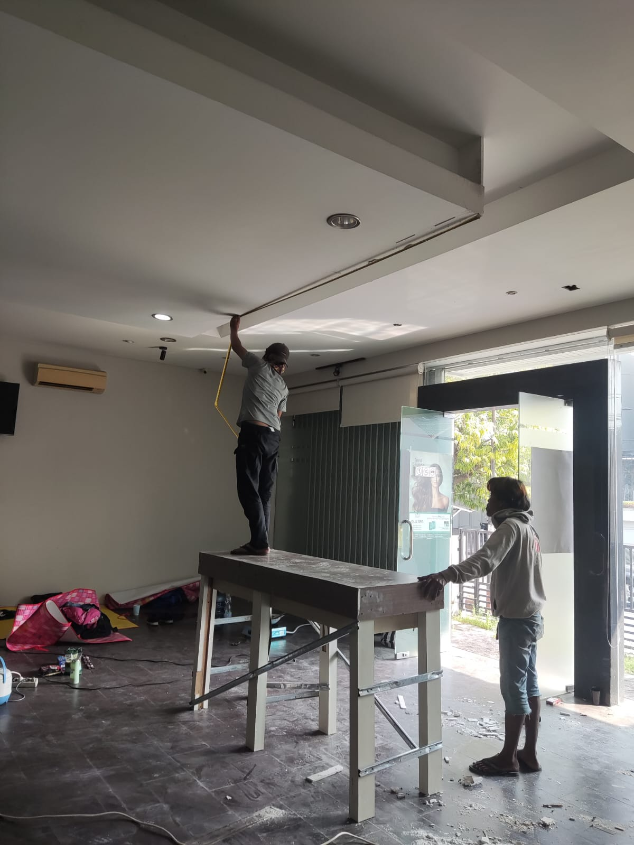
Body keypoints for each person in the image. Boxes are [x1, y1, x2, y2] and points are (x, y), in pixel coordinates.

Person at [418, 477, 545, 776]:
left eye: (491, 498)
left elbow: (485, 560)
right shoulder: (528, 528)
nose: (487, 503)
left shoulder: (510, 528)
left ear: (503, 502)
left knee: (514, 689)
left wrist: (447, 574)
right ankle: (529, 754)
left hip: (517, 620)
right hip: (532, 617)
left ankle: (508, 758)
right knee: (530, 685)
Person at [229, 315, 289, 556]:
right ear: (283, 364)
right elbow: (278, 416)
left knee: (248, 489)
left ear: (267, 357)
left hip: (253, 434)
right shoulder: (284, 386)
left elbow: (237, 347)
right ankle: (261, 542)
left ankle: (260, 543)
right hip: (273, 438)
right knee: (264, 492)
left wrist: (234, 329)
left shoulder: (258, 365)